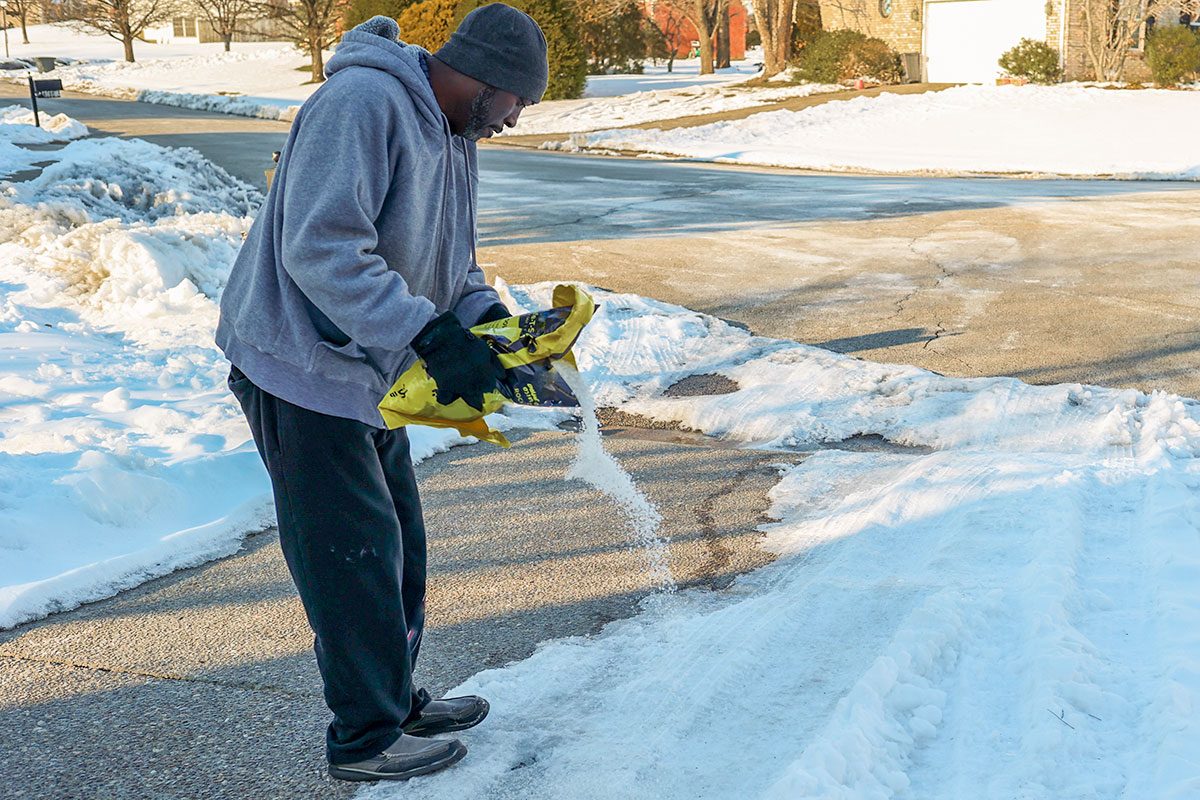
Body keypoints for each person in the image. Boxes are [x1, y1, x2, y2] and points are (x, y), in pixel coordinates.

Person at [214, 5, 548, 783]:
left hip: (368, 366)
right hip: (297, 364)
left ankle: (392, 701)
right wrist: (425, 336)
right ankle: (365, 738)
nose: (516, 119)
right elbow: (321, 249)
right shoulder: (362, 104)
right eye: (518, 103)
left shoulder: (453, 133)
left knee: (396, 541)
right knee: (350, 555)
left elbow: (451, 264)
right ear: (486, 80)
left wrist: (486, 325)